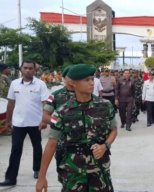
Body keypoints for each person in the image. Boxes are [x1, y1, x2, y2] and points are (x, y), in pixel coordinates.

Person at [35, 64, 118, 192]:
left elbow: (113, 130)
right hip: (73, 171)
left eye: (92, 79)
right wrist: (41, 177)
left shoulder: (105, 105)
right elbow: (51, 144)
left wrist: (104, 146)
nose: (92, 83)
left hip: (99, 169)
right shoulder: (62, 112)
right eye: (86, 80)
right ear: (74, 83)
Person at [0, 61, 49, 186]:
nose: (28, 70)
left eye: (30, 68)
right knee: (15, 149)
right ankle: (10, 178)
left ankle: (37, 169)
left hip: (35, 122)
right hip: (18, 123)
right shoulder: (15, 84)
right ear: (21, 69)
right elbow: (11, 102)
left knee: (37, 146)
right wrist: (8, 120)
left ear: (35, 70)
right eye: (25, 68)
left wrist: (44, 120)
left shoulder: (40, 84)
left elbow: (45, 103)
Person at [0, 63, 11, 135]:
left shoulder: (5, 78)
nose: (9, 70)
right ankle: (4, 130)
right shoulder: (2, 79)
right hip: (4, 100)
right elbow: (3, 91)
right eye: (8, 68)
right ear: (4, 70)